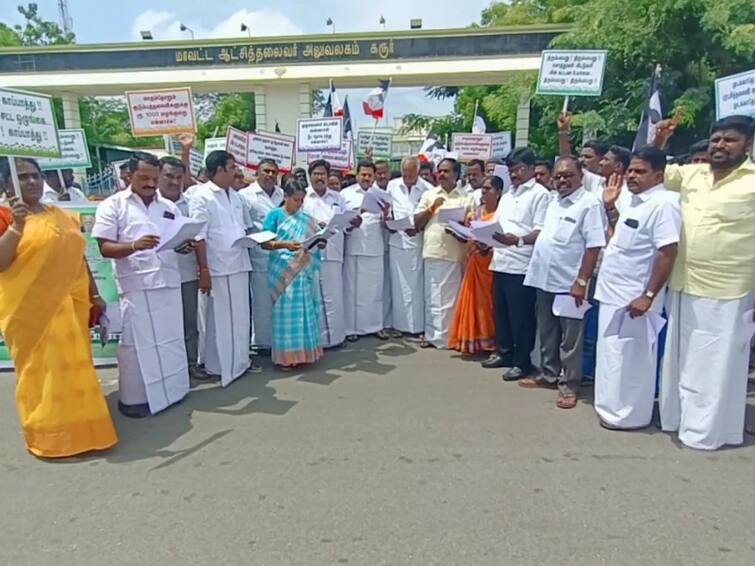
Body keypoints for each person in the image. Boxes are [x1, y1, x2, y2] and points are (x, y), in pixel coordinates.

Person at [0, 157, 117, 458]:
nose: (32, 182)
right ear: (6, 183)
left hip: (71, 307)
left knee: (76, 369)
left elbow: (78, 258)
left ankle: (87, 430)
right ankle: (51, 437)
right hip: (30, 313)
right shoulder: (4, 216)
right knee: (43, 374)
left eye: (35, 176)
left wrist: (95, 295)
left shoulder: (62, 215)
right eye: (22, 177)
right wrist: (16, 225)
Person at [653, 114, 755, 450]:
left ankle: (709, 432)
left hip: (728, 288)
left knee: (715, 365)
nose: (720, 145)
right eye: (716, 139)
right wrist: (660, 141)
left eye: (730, 140)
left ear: (748, 145)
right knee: (681, 361)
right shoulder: (691, 174)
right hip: (683, 283)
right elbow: (651, 172)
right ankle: (679, 420)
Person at [93, 152, 191, 418]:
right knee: (137, 345)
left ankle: (173, 391)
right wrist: (134, 245)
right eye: (144, 177)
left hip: (168, 282)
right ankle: (134, 400)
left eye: (154, 178)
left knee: (170, 340)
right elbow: (104, 247)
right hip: (137, 284)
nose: (151, 183)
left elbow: (173, 238)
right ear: (128, 175)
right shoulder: (113, 205)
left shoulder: (168, 207)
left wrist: (183, 245)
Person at [593, 147, 681, 430]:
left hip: (636, 297)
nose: (632, 175)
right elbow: (622, 236)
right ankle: (610, 410)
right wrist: (610, 208)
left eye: (640, 171)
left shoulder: (664, 203)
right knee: (611, 355)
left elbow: (667, 252)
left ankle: (630, 417)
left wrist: (648, 295)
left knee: (632, 358)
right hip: (612, 293)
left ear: (658, 174)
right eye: (630, 169)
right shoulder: (632, 200)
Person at [520, 156, 606, 409]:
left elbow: (594, 246)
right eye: (558, 176)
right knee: (547, 332)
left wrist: (581, 280)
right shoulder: (553, 201)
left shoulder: (589, 204)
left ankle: (569, 385)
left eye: (568, 175)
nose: (562, 180)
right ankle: (548, 374)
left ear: (581, 175)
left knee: (571, 339)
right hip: (545, 278)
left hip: (570, 284)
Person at [483, 148, 550, 381]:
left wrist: (519, 240)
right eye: (511, 170)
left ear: (532, 169)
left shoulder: (540, 194)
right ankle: (505, 352)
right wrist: (484, 236)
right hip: (500, 259)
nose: (515, 174)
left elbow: (541, 229)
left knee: (521, 316)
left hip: (522, 263)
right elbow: (497, 223)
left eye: (519, 169)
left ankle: (523, 362)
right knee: (501, 312)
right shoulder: (509, 195)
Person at [189, 150, 254, 387]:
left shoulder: (235, 196)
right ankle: (218, 366)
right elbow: (199, 236)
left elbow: (243, 228)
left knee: (239, 318)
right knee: (219, 320)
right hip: (217, 267)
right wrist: (204, 269)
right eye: (231, 167)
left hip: (239, 263)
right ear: (218, 171)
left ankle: (240, 362)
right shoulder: (202, 196)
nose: (236, 171)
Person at [262, 178, 325, 369]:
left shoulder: (306, 219)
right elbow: (265, 243)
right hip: (282, 270)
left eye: (301, 200)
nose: (299, 204)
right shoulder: (274, 215)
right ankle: (286, 358)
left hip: (303, 271)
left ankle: (305, 354)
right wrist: (285, 244)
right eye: (295, 199)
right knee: (285, 314)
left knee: (304, 313)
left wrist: (320, 242)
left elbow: (316, 240)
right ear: (286, 197)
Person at [413, 158, 475, 348]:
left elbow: (473, 226)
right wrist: (433, 208)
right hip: (434, 251)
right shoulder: (429, 195)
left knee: (451, 299)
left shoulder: (466, 197)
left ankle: (450, 336)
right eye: (440, 171)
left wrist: (461, 229)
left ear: (456, 175)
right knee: (433, 296)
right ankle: (433, 336)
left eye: (446, 171)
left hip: (456, 253)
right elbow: (416, 223)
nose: (442, 174)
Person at [157, 156, 205, 381]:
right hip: (158, 274)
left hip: (186, 271)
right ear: (158, 175)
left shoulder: (190, 203)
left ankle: (190, 364)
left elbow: (196, 234)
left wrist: (189, 246)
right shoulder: (151, 205)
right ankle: (167, 369)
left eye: (178, 177)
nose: (174, 182)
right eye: (168, 176)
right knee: (164, 324)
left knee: (189, 323)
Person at [448, 175, 503, 354]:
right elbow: (468, 237)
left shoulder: (502, 213)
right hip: (475, 262)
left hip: (492, 264)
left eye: (489, 189)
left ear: (499, 192)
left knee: (489, 304)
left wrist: (486, 244)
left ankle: (491, 341)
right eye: (483, 189)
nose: (484, 192)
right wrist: (456, 231)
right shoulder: (475, 213)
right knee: (474, 303)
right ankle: (474, 340)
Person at [302, 159, 349, 348]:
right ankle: (317, 340)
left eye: (323, 174)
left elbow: (345, 223)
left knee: (334, 296)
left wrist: (351, 223)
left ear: (328, 177)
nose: (319, 177)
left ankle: (336, 339)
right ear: (310, 176)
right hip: (311, 253)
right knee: (314, 297)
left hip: (334, 252)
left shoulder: (338, 198)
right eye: (316, 174)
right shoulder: (303, 197)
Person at [239, 159, 284, 352]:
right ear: (257, 173)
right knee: (262, 304)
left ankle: (280, 340)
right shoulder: (245, 196)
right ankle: (263, 343)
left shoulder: (282, 194)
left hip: (283, 255)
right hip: (260, 256)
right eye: (266, 171)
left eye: (274, 172)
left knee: (281, 302)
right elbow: (244, 227)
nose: (270, 175)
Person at [341, 160, 389, 341]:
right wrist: (354, 219)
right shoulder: (346, 194)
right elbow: (341, 220)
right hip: (354, 245)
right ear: (357, 174)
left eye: (370, 175)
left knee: (374, 290)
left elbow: (387, 223)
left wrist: (387, 215)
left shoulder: (382, 194)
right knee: (352, 290)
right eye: (363, 174)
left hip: (375, 246)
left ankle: (374, 326)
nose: (367, 178)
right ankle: (351, 329)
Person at [386, 157, 429, 337]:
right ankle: (399, 326)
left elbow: (430, 215)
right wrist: (389, 220)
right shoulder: (393, 185)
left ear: (418, 172)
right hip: (397, 241)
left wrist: (418, 228)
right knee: (398, 287)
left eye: (411, 176)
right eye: (405, 175)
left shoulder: (427, 189)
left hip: (417, 242)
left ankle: (417, 327)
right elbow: (388, 209)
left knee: (417, 287)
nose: (407, 178)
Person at [374, 159, 396, 338]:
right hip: (374, 246)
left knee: (390, 286)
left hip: (394, 244)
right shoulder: (371, 193)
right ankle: (377, 323)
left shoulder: (394, 190)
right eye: (378, 172)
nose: (382, 176)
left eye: (384, 172)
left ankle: (389, 322)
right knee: (377, 287)